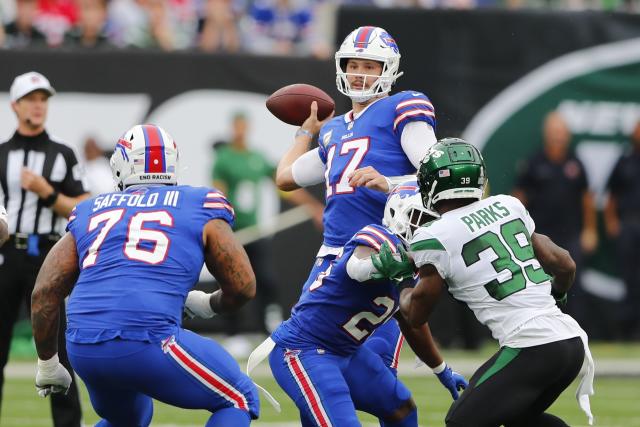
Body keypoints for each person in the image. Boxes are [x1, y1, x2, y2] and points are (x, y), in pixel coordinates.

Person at [31, 124, 260, 426]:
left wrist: (48, 363)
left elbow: (44, 293)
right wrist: (207, 304)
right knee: (239, 397)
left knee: (130, 417)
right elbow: (243, 286)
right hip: (147, 338)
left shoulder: (90, 210)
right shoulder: (198, 202)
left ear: (119, 166)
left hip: (84, 347)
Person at [190, 183, 466, 426]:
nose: (426, 229)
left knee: (401, 408)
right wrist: (380, 265)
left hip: (347, 352)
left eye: (432, 222)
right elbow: (358, 265)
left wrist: (442, 370)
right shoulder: (378, 238)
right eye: (421, 220)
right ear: (397, 215)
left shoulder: (415, 264)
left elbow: (410, 320)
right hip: (303, 350)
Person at [373, 138, 595, 427]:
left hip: (531, 346)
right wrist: (558, 295)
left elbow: (416, 315)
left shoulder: (434, 235)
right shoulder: (508, 205)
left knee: (461, 422)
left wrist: (400, 282)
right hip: (570, 342)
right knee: (519, 419)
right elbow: (565, 263)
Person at [274, 25, 438, 377]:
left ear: (388, 70)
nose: (359, 74)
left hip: (380, 257)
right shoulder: (333, 129)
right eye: (354, 64)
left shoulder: (401, 106)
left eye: (370, 66)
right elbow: (285, 177)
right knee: (312, 361)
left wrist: (389, 183)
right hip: (330, 260)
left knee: (376, 377)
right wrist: (306, 132)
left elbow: (438, 176)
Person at [0, 71, 88, 426]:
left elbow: (83, 205)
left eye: (43, 99)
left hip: (49, 255)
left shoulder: (62, 153)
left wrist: (46, 192)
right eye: (31, 99)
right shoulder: (2, 153)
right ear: (15, 105)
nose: (38, 106)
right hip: (7, 256)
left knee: (56, 350)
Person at [212, 112, 323, 355]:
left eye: (244, 126)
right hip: (233, 231)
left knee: (266, 280)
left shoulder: (256, 158)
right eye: (236, 126)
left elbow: (284, 185)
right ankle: (234, 334)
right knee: (232, 281)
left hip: (255, 229)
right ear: (232, 128)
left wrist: (313, 207)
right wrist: (219, 225)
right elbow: (217, 192)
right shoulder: (223, 159)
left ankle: (267, 330)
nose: (240, 130)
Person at [513, 111, 598, 328]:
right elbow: (518, 199)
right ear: (546, 134)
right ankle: (541, 329)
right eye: (554, 132)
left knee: (573, 284)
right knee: (539, 285)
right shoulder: (533, 163)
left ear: (567, 135)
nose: (558, 136)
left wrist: (590, 230)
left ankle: (577, 331)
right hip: (541, 237)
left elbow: (587, 198)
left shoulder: (576, 163)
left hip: (570, 234)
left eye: (561, 132)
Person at [604, 120, 640, 340]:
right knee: (629, 280)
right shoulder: (624, 161)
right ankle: (627, 332)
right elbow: (611, 196)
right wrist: (612, 223)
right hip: (629, 224)